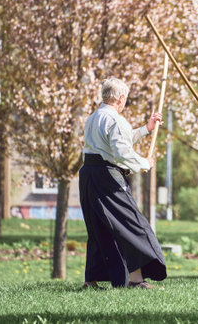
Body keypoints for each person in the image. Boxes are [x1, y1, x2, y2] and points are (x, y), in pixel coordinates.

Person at [79, 77, 167, 289]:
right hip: (107, 177)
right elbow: (121, 151)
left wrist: (146, 128)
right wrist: (143, 163)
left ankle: (91, 280)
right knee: (131, 224)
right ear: (121, 98)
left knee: (99, 227)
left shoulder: (93, 117)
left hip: (89, 175)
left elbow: (117, 142)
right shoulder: (115, 120)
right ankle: (136, 280)